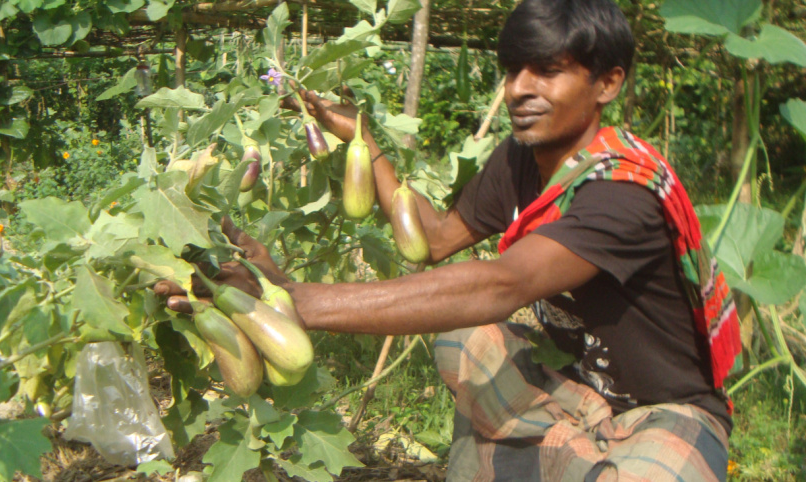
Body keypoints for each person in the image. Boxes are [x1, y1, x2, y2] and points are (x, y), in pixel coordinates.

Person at [157, 0, 743, 479]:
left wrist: (293, 303)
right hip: (577, 395)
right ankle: (575, 462)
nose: (519, 89)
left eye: (547, 70)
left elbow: (502, 283)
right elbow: (432, 241)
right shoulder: (521, 159)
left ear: (607, 83)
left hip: (665, 412)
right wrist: (361, 139)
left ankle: (588, 464)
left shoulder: (623, 191)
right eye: (512, 71)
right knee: (464, 343)